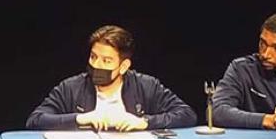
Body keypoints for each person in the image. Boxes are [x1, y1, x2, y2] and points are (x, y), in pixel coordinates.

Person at [26, 25, 197, 131]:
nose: (97, 65)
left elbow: (187, 115)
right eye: (93, 57)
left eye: (106, 61)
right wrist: (81, 119)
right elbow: (36, 120)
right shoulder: (71, 87)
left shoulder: (146, 86)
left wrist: (145, 122)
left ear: (123, 66)